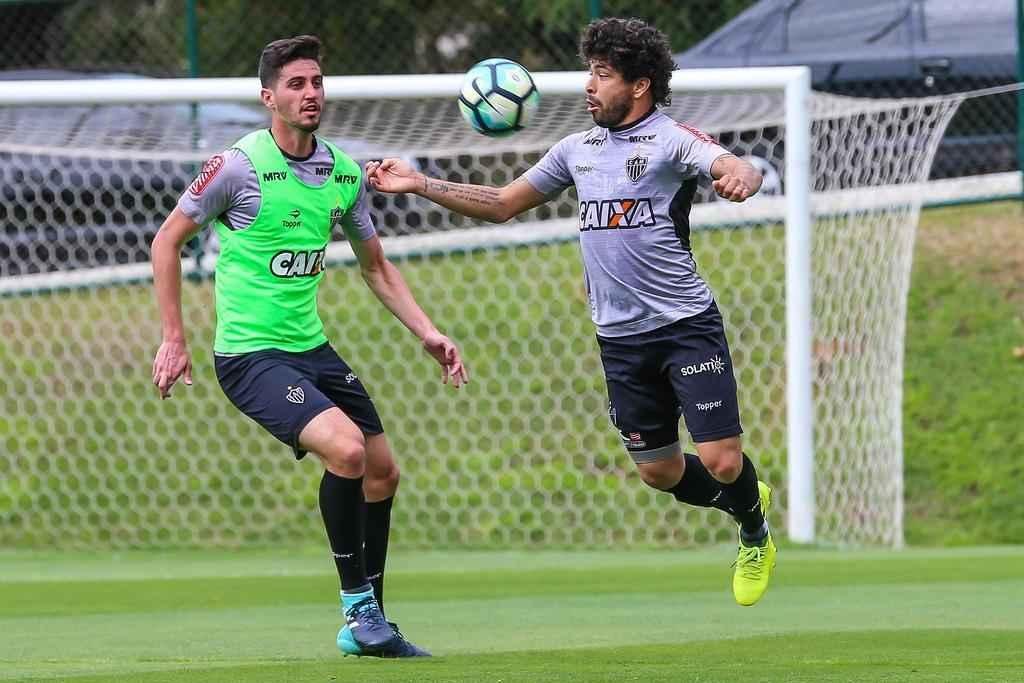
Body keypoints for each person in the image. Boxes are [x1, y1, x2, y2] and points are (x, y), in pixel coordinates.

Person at [368, 17, 776, 606]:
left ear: (639, 86)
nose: (589, 85)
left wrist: (741, 176)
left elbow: (732, 165)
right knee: (658, 471)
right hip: (619, 339)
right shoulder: (575, 151)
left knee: (722, 460)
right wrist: (418, 183)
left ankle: (754, 532)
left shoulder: (671, 140)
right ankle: (745, 501)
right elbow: (502, 202)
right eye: (590, 71)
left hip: (685, 325)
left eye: (602, 75)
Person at [150, 35, 467, 657]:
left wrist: (428, 331)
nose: (311, 93)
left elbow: (376, 266)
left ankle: (369, 624)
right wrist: (174, 338)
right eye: (296, 84)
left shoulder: (343, 173)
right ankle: (359, 609)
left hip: (311, 349)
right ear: (268, 97)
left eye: (317, 81)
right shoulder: (237, 166)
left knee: (383, 471)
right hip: (250, 356)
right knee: (346, 450)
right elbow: (167, 242)